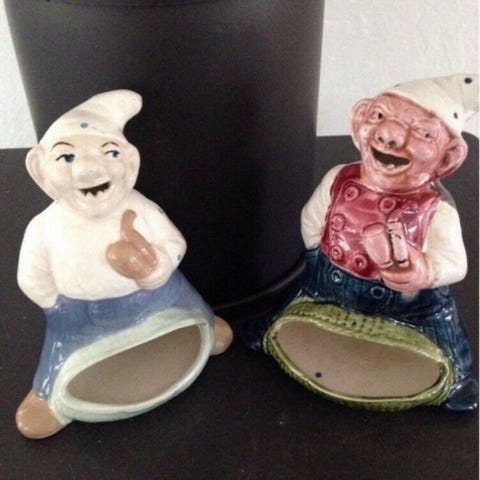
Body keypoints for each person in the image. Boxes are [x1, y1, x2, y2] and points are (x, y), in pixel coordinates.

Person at [247, 74, 478, 411]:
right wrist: (317, 253)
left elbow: (455, 262)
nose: (389, 134)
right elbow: (313, 218)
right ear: (359, 122)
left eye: (424, 133)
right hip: (331, 278)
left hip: (409, 301)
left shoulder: (436, 209)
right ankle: (270, 330)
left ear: (447, 158)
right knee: (298, 296)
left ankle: (458, 380)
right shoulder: (339, 178)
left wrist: (424, 271)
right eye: (379, 116)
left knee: (443, 328)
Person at [16, 90, 233, 439]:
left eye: (110, 153)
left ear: (130, 163)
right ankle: (47, 397)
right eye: (67, 157)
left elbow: (175, 242)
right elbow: (32, 275)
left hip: (158, 296)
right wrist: (56, 304)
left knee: (190, 301)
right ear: (40, 168)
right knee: (59, 346)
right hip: (83, 313)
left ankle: (206, 328)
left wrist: (157, 268)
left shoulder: (140, 207)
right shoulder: (44, 227)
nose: (90, 169)